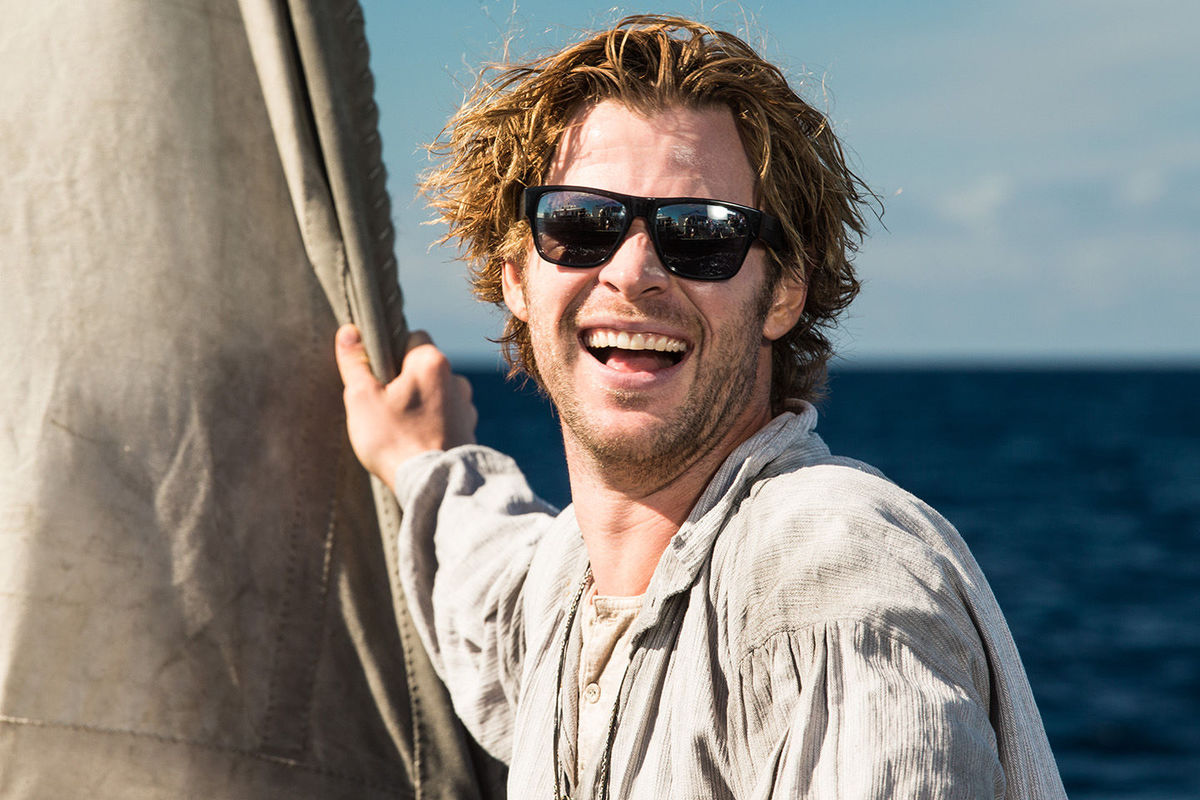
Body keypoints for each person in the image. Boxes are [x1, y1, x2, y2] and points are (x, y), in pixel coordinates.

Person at [334, 15, 1067, 799]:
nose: (632, 271)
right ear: (517, 274)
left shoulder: (829, 574)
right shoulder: (567, 592)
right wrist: (423, 462)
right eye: (580, 223)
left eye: (699, 234)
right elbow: (491, 589)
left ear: (784, 294)